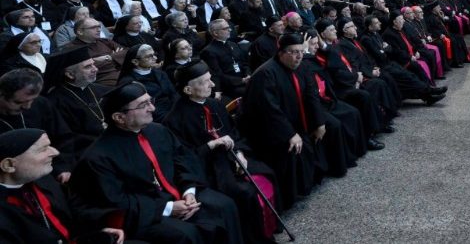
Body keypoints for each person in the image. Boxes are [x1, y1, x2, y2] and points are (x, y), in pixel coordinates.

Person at [70, 81, 243, 243]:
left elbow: (183, 160)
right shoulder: (98, 157)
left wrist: (188, 190)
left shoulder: (158, 131)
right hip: (147, 213)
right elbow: (116, 202)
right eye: (143, 105)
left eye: (150, 101)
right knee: (186, 235)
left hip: (181, 195)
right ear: (119, 117)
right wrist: (167, 208)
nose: (152, 108)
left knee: (225, 206)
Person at [164, 61, 279, 244]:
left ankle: (268, 229)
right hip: (208, 168)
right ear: (187, 90)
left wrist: (240, 152)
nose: (212, 85)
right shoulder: (175, 119)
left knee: (267, 171)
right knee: (245, 193)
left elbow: (234, 132)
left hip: (230, 156)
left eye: (211, 80)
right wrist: (210, 145)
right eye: (205, 82)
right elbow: (184, 157)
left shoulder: (214, 104)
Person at [240, 33, 325, 206]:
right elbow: (270, 111)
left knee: (315, 139)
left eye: (301, 51)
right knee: (290, 150)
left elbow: (311, 96)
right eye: (294, 52)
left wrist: (319, 122)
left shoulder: (301, 66)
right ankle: (288, 197)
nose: (299, 56)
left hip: (292, 122)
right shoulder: (266, 74)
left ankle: (306, 184)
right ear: (281, 53)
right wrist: (290, 134)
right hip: (268, 129)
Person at [0, 128, 127, 244]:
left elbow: (72, 211)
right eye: (43, 149)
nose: (55, 152)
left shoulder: (43, 180)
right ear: (9, 165)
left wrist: (98, 231)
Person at [44, 47, 110, 158]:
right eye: (88, 67)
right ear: (70, 75)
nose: (95, 69)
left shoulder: (103, 90)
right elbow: (67, 138)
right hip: (88, 152)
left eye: (93, 64)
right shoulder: (55, 101)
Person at [117, 44, 178, 123]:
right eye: (149, 56)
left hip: (172, 110)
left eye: (154, 55)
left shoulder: (160, 73)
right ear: (135, 61)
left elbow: (173, 94)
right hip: (153, 116)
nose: (155, 58)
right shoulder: (129, 82)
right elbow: (139, 109)